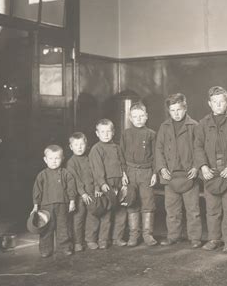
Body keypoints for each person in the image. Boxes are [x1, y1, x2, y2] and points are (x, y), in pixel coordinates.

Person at [155, 93, 202, 248]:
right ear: (169, 111)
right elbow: (159, 149)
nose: (176, 113)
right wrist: (161, 168)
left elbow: (199, 149)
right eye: (172, 110)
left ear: (185, 108)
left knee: (193, 210)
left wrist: (196, 167)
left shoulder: (194, 126)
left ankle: (195, 238)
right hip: (170, 176)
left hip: (189, 175)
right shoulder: (164, 127)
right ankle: (173, 236)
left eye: (179, 109)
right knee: (172, 210)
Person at [194, 86, 227, 253]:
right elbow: (197, 147)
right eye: (215, 102)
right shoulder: (203, 124)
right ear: (209, 104)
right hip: (210, 173)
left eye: (222, 102)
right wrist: (203, 166)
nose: (218, 105)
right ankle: (214, 239)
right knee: (212, 210)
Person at [119, 102, 158, 247]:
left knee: (148, 202)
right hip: (130, 172)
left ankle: (147, 234)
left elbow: (156, 156)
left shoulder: (151, 134)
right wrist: (123, 173)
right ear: (130, 117)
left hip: (146, 172)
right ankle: (133, 235)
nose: (139, 119)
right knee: (132, 201)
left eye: (142, 116)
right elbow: (121, 155)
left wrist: (154, 173)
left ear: (146, 117)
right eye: (135, 116)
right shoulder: (126, 134)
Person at [31, 145, 76, 257]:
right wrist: (36, 206)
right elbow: (37, 191)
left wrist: (72, 201)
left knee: (63, 227)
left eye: (57, 158)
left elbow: (71, 188)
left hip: (62, 205)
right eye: (51, 158)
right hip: (46, 207)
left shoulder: (66, 173)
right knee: (47, 228)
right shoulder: (42, 175)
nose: (54, 161)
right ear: (45, 160)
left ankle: (65, 248)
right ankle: (45, 250)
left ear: (62, 159)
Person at [89, 119, 124, 249]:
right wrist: (101, 184)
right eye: (102, 132)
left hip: (118, 183)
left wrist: (124, 175)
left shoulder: (117, 147)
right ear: (97, 134)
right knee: (107, 213)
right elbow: (97, 169)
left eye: (108, 131)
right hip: (106, 185)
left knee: (121, 213)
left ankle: (117, 238)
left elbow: (122, 163)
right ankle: (103, 240)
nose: (106, 134)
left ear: (113, 132)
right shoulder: (96, 149)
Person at [66, 132, 95, 252]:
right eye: (76, 145)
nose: (79, 147)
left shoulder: (90, 158)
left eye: (81, 144)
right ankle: (78, 242)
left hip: (92, 193)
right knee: (78, 218)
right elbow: (75, 180)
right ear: (71, 147)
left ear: (86, 145)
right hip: (79, 196)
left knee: (92, 217)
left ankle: (90, 239)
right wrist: (83, 193)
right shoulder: (71, 162)